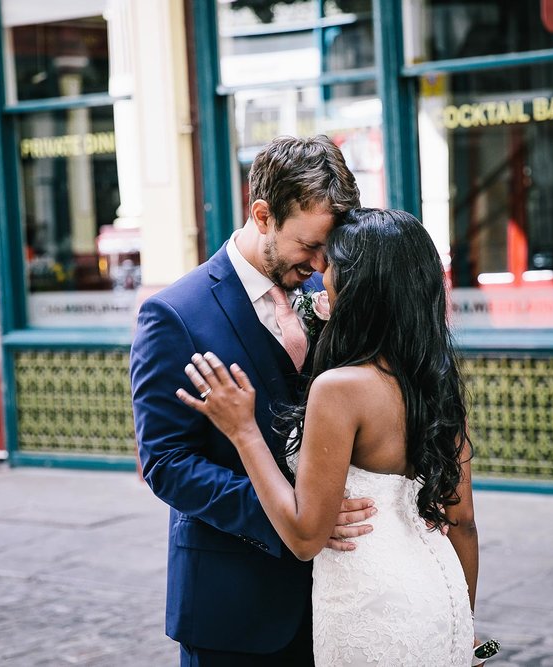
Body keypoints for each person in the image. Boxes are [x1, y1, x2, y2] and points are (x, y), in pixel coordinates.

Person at [178, 208, 482, 666]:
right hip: (441, 600)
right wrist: (465, 629)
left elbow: (304, 535)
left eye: (334, 265)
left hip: (372, 605)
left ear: (361, 287)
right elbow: (465, 524)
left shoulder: (340, 388)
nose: (322, 275)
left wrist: (244, 431)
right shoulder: (434, 381)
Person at [130, 135, 374, 666]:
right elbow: (166, 464)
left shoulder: (329, 291)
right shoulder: (174, 315)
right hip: (233, 606)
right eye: (307, 246)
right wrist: (298, 516)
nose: (318, 264)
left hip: (338, 602)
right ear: (261, 214)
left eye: (327, 250)